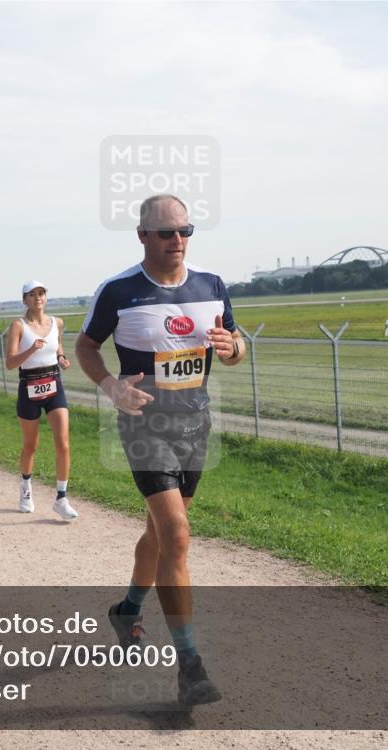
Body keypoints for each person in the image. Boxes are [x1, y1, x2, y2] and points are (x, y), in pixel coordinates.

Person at [75, 194, 245, 706]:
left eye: (186, 232)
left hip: (194, 425)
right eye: (168, 233)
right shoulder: (120, 290)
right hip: (144, 425)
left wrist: (232, 348)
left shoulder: (211, 285)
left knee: (159, 533)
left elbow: (236, 344)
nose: (178, 241)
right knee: (177, 535)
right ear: (143, 235)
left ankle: (127, 610)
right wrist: (111, 386)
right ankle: (189, 665)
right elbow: (86, 346)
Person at [5, 280, 77, 521]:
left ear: (46, 297)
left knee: (64, 443)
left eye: (42, 293)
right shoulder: (19, 326)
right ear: (24, 299)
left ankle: (62, 498)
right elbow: (11, 362)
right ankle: (25, 489)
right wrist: (31, 350)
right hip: (29, 386)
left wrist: (62, 357)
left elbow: (57, 346)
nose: (38, 298)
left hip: (54, 384)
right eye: (32, 294)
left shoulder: (57, 322)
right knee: (30, 446)